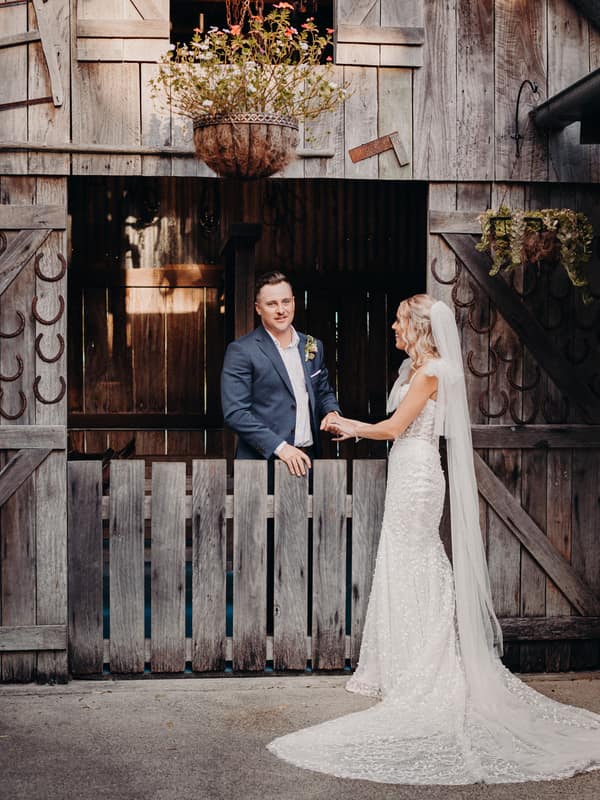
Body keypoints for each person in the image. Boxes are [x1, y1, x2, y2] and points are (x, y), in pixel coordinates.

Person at [266, 294, 600, 784]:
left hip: (419, 472)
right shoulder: (414, 369)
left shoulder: (432, 373)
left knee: (416, 557)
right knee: (405, 559)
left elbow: (396, 428)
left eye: (400, 324)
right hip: (407, 471)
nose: (395, 331)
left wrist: (347, 425)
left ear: (420, 328)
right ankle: (405, 661)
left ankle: (431, 666)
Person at [220, 270, 340, 476]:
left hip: (308, 460)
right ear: (258, 308)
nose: (281, 310)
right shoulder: (242, 351)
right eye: (272, 304)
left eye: (286, 302)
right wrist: (281, 447)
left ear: (294, 302)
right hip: (261, 465)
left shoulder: (312, 346)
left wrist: (332, 412)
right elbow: (235, 413)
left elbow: (323, 391)